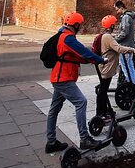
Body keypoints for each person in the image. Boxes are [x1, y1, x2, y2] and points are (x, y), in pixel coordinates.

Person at [45, 12, 107, 153]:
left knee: (54, 110)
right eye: (80, 24)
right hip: (64, 79)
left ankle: (51, 142)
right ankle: (84, 138)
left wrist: (89, 59)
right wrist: (100, 59)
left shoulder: (62, 35)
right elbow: (83, 51)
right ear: (77, 24)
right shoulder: (68, 38)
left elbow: (75, 56)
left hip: (58, 78)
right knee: (81, 102)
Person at [92, 15, 135, 117]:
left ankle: (105, 110)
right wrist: (132, 49)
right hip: (107, 68)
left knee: (103, 91)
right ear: (111, 25)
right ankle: (100, 113)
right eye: (114, 24)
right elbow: (119, 49)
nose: (115, 26)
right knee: (103, 92)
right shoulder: (108, 37)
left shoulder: (105, 35)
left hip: (105, 67)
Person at [114, 0, 135, 82]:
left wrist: (115, 39)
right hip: (129, 44)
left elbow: (124, 33)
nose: (117, 12)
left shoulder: (126, 17)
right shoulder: (130, 17)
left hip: (125, 46)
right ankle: (132, 82)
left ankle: (130, 84)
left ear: (121, 8)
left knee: (126, 67)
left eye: (117, 9)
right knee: (130, 66)